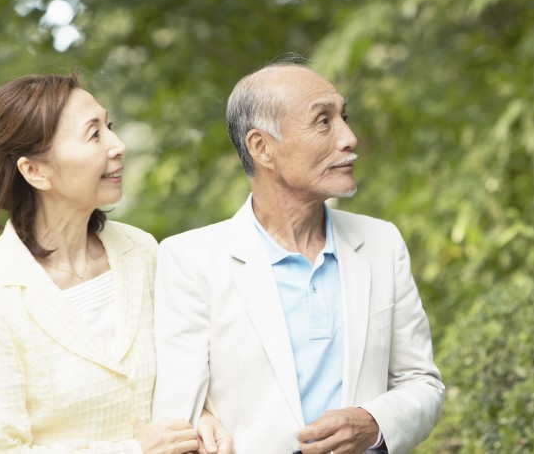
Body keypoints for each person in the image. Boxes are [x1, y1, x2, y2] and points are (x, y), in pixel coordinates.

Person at [152, 60, 444, 453]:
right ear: (262, 148)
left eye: (344, 117)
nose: (349, 138)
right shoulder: (190, 260)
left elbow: (423, 384)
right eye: (323, 121)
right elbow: (178, 415)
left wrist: (374, 423)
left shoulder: (382, 243)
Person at [0, 73, 233, 454]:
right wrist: (133, 450)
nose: (119, 145)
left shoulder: (143, 251)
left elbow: (183, 371)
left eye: (109, 126)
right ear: (35, 171)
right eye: (94, 134)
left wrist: (201, 415)